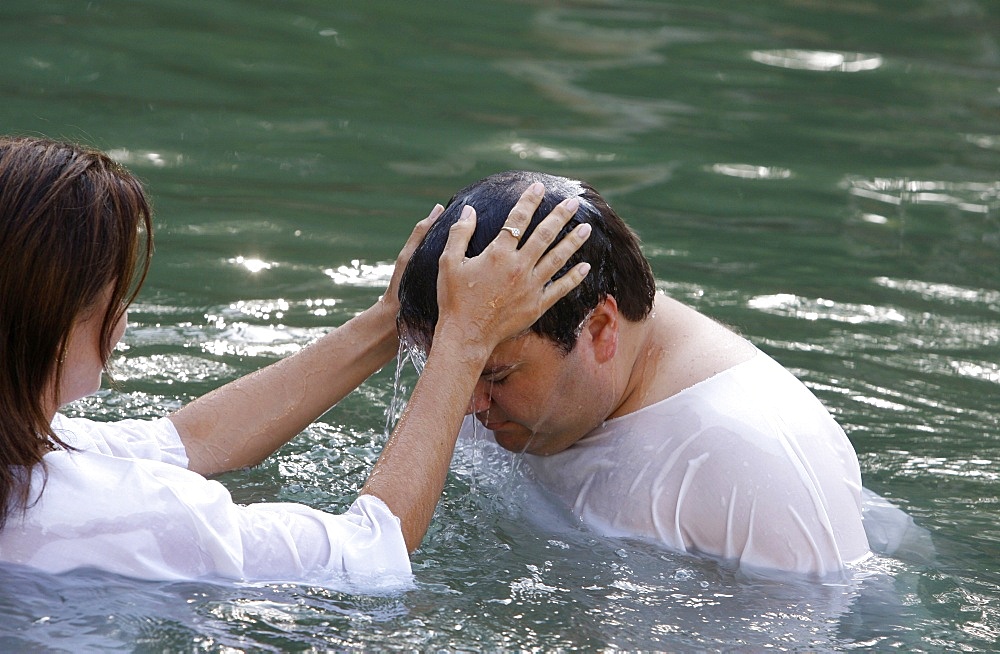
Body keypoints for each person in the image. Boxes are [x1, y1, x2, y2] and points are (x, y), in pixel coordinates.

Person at [0, 137, 592, 586]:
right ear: (48, 324)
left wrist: (390, 320)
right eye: (114, 298)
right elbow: (369, 555)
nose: (124, 322)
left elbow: (184, 443)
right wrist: (463, 342)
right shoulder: (117, 513)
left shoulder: (25, 453)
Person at [397, 170, 876, 579]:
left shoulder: (753, 466)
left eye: (497, 377)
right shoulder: (482, 349)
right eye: (452, 368)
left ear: (601, 328)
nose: (465, 403)